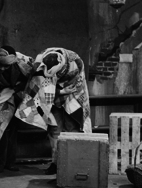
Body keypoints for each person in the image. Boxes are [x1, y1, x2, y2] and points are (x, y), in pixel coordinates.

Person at [19, 47, 92, 175]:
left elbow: (75, 87)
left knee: (72, 129)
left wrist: (62, 90)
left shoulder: (75, 62)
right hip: (52, 99)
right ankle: (56, 163)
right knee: (54, 130)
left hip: (72, 97)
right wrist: (60, 91)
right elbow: (40, 86)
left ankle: (72, 164)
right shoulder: (40, 61)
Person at [0, 45, 34, 173]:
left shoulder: (23, 62)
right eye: (0, 65)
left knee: (13, 130)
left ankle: (10, 162)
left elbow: (32, 79)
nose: (3, 68)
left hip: (17, 96)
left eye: (7, 66)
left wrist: (16, 89)